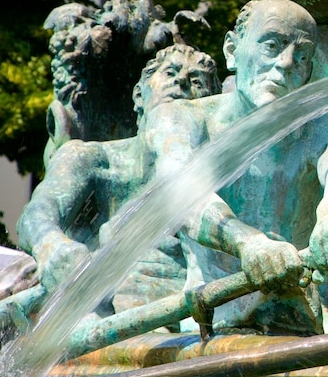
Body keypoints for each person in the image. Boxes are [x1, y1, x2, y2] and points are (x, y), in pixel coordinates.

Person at [141, 0, 328, 334]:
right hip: (212, 319)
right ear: (231, 51)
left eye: (302, 56)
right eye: (272, 45)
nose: (286, 64)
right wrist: (249, 243)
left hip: (298, 317)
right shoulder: (181, 118)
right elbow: (182, 193)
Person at [18, 44, 221, 310]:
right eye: (170, 73)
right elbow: (38, 212)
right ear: (139, 95)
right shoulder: (93, 158)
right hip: (108, 306)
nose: (181, 82)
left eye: (196, 81)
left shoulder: (224, 176)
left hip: (199, 308)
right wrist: (50, 244)